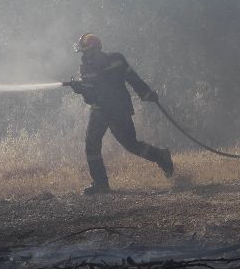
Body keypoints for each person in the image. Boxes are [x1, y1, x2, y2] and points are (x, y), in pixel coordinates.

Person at [68, 33, 174, 195]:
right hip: (99, 111)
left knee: (131, 145)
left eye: (85, 52)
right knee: (91, 145)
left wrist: (146, 94)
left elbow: (133, 78)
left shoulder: (116, 59)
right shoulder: (86, 68)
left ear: (94, 50)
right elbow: (91, 97)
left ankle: (161, 156)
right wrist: (80, 89)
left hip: (118, 110)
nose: (83, 57)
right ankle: (101, 184)